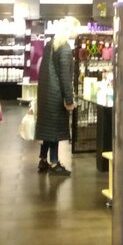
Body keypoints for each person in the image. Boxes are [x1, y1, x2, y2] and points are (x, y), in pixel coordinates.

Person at [34, 17, 77, 176]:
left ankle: (43, 159)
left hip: (45, 93)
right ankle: (54, 162)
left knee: (47, 128)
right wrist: (69, 99)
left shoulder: (50, 45)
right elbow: (65, 77)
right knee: (55, 130)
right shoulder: (64, 48)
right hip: (56, 95)